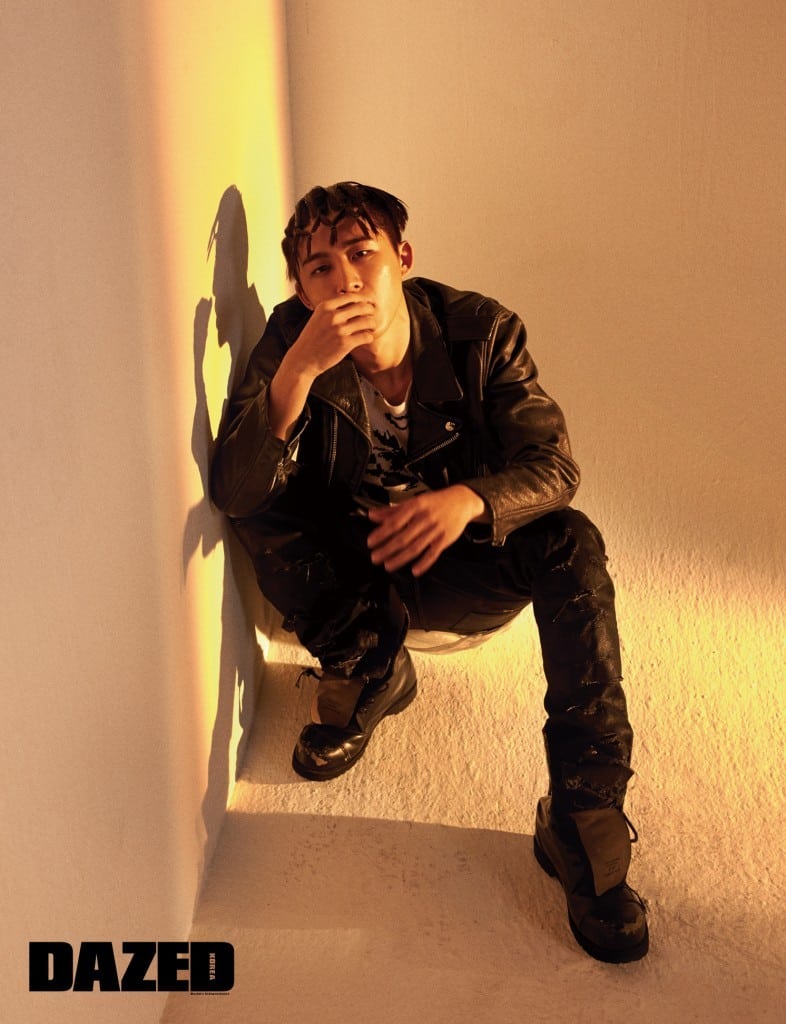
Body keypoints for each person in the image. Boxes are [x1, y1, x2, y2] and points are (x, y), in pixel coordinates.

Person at [210, 182, 648, 963]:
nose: (345, 280)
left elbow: (554, 467)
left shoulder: (481, 332)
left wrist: (470, 501)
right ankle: (369, 667)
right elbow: (238, 492)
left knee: (571, 540)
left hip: (461, 568)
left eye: (362, 253)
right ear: (301, 289)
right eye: (319, 267)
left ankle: (584, 813)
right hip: (353, 575)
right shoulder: (290, 339)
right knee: (261, 492)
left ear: (402, 258)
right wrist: (298, 372)